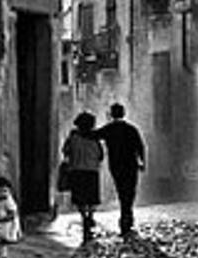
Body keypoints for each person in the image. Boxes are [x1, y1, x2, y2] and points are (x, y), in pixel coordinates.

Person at [94, 102, 146, 236]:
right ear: (124, 113)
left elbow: (94, 135)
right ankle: (127, 213)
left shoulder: (109, 129)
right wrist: (142, 161)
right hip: (131, 164)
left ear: (111, 114)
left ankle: (125, 214)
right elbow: (140, 146)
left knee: (121, 189)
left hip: (116, 164)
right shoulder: (131, 129)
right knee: (130, 190)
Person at [62, 112, 104, 242]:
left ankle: (83, 216)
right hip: (92, 171)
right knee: (92, 198)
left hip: (77, 170)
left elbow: (65, 151)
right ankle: (90, 215)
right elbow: (101, 155)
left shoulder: (73, 137)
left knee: (80, 198)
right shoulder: (95, 138)